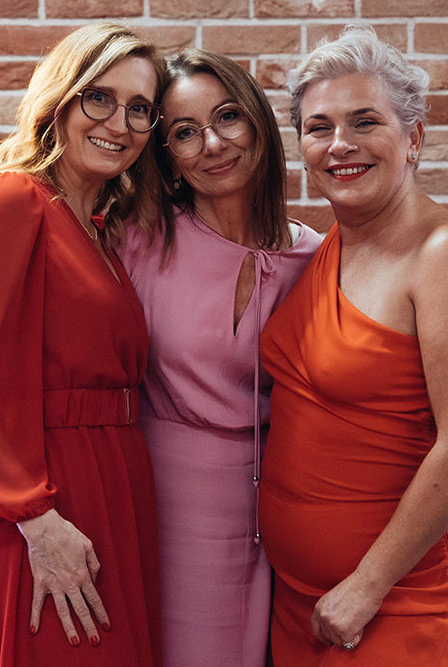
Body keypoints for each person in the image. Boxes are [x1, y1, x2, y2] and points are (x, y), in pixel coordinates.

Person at [258, 25, 448, 666]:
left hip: (394, 595)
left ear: (414, 137)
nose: (340, 144)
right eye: (319, 127)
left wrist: (366, 586)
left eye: (365, 121)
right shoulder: (327, 245)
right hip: (300, 599)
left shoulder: (447, 255)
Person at [0, 23, 167, 667]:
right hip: (45, 506)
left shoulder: (102, 231)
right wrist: (33, 517)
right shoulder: (10, 199)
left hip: (116, 489)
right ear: (60, 99)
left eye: (139, 108)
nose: (119, 122)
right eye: (100, 97)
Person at [115, 49, 322, 667]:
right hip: (160, 500)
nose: (212, 144)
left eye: (228, 116)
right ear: (168, 159)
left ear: (257, 122)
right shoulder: (135, 242)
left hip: (284, 512)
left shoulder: (318, 259)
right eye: (185, 132)